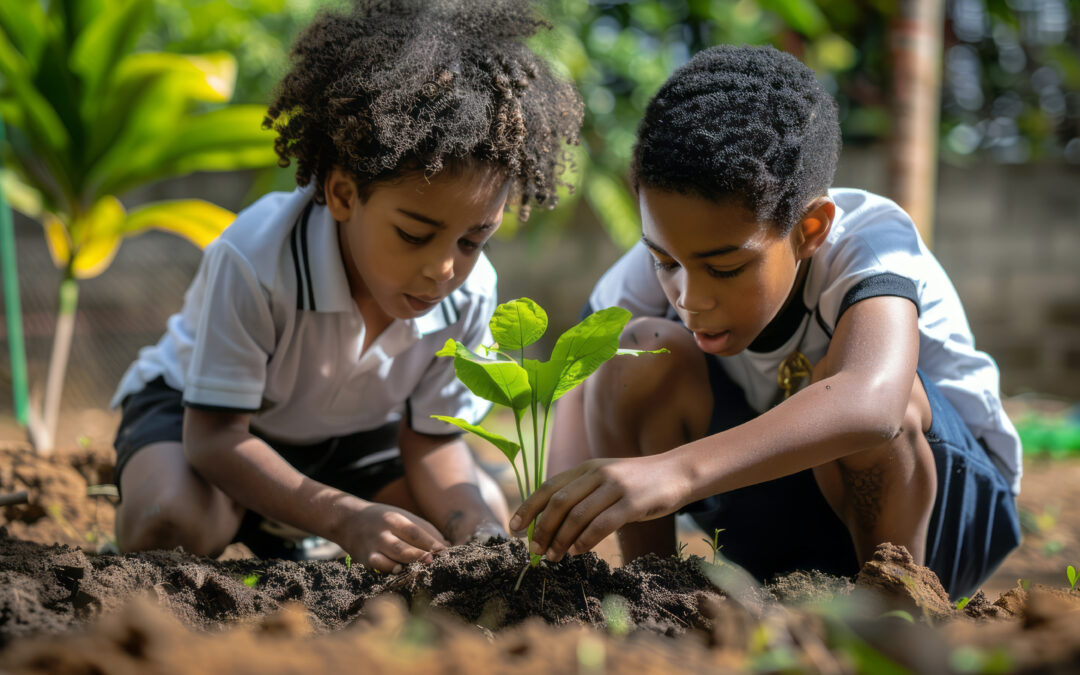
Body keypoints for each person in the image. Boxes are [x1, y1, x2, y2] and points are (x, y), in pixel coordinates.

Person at [511, 45, 1020, 600]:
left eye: (726, 268)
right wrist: (554, 530)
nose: (690, 298)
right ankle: (651, 598)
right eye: (665, 261)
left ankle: (892, 610)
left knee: (859, 390)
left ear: (810, 230)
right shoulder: (650, 271)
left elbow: (872, 407)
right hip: (775, 524)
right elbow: (573, 442)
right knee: (636, 352)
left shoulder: (870, 244)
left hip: (946, 519)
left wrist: (673, 472)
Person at [110, 0, 582, 572]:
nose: (444, 269)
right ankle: (260, 515)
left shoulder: (471, 292)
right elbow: (214, 438)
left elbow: (432, 442)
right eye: (414, 235)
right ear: (342, 194)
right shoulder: (256, 260)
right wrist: (342, 518)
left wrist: (478, 534)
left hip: (353, 439)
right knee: (169, 523)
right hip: (211, 425)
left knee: (470, 521)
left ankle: (291, 527)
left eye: (473, 240)